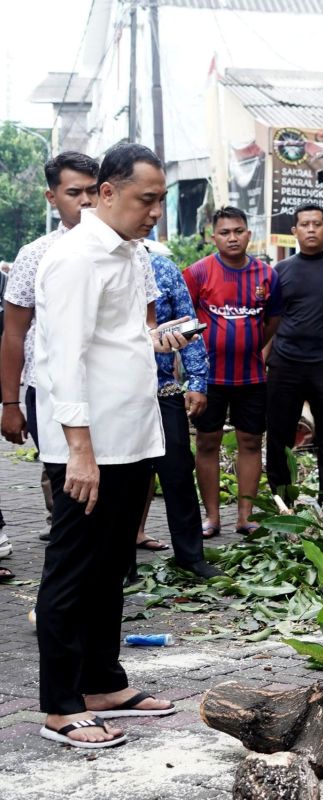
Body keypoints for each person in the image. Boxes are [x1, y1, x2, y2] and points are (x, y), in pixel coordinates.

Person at [35, 143, 189, 748]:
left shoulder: (127, 252)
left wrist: (150, 339)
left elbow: (112, 337)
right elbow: (61, 358)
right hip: (90, 444)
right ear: (106, 192)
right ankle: (60, 704)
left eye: (160, 201)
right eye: (145, 199)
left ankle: (102, 681)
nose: (154, 212)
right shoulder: (75, 258)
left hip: (129, 437)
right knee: (72, 571)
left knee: (110, 568)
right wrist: (78, 448)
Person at [1, 152, 155, 582]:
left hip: (117, 417)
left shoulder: (130, 248)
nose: (85, 201)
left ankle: (97, 641)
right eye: (75, 193)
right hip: (60, 399)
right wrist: (10, 402)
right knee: (76, 531)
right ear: (53, 198)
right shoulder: (53, 255)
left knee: (106, 553)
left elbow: (133, 329)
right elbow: (22, 337)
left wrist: (158, 340)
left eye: (91, 189)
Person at [184, 207, 281, 537]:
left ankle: (245, 517)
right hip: (209, 378)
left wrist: (253, 348)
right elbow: (186, 323)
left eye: (238, 231)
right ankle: (212, 518)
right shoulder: (197, 273)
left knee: (251, 442)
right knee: (207, 443)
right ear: (214, 237)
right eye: (225, 232)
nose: (232, 237)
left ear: (248, 234)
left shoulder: (267, 275)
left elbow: (272, 322)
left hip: (252, 377)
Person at [133, 242, 224, 579]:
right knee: (123, 478)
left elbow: (190, 323)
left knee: (177, 471)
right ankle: (120, 564)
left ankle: (190, 557)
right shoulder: (94, 264)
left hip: (163, 388)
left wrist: (198, 380)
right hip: (116, 393)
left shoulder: (163, 268)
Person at [265, 205, 323, 510]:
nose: (310, 229)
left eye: (317, 224)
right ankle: (282, 500)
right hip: (285, 364)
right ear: (294, 231)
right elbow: (270, 320)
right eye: (304, 224)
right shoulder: (280, 271)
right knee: (279, 437)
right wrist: (264, 359)